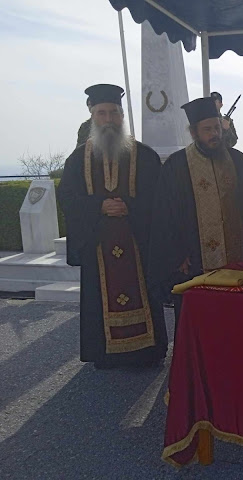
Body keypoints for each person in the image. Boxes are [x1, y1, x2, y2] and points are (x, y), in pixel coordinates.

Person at [58, 84, 167, 369]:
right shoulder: (77, 160)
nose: (108, 119)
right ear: (92, 115)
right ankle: (105, 354)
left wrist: (130, 207)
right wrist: (99, 206)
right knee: (100, 297)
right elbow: (67, 198)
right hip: (98, 249)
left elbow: (160, 199)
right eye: (102, 113)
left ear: (122, 115)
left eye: (114, 113)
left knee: (143, 292)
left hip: (138, 244)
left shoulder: (145, 156)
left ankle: (146, 351)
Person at [148, 97, 243, 327]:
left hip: (237, 261)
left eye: (217, 128)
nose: (214, 134)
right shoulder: (177, 166)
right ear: (194, 133)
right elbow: (165, 216)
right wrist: (177, 255)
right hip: (194, 261)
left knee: (236, 320)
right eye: (207, 130)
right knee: (199, 322)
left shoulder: (237, 160)